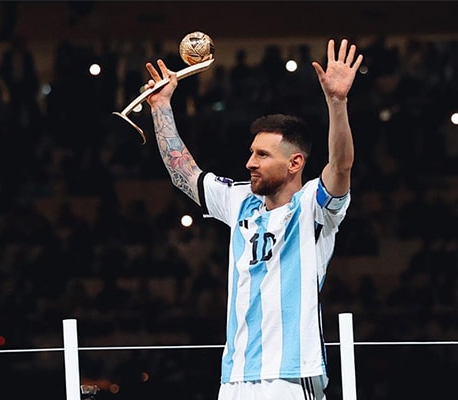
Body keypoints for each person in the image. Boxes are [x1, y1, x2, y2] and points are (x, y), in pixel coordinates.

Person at [144, 38, 363, 400]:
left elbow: (341, 166)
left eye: (262, 155)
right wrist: (161, 107)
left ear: (294, 163)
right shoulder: (240, 200)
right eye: (251, 153)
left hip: (291, 376)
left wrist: (337, 103)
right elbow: (184, 174)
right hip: (235, 378)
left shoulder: (314, 206)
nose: (250, 163)